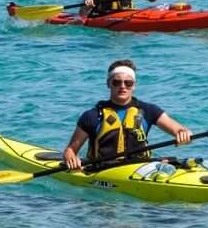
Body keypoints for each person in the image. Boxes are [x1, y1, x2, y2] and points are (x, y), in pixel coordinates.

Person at [63, 59, 192, 171]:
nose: (122, 86)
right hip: (103, 170)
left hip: (141, 168)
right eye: (116, 82)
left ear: (134, 85)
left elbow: (181, 130)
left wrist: (183, 134)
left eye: (128, 83)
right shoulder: (92, 116)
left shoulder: (149, 110)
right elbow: (70, 151)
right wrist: (72, 159)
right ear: (108, 84)